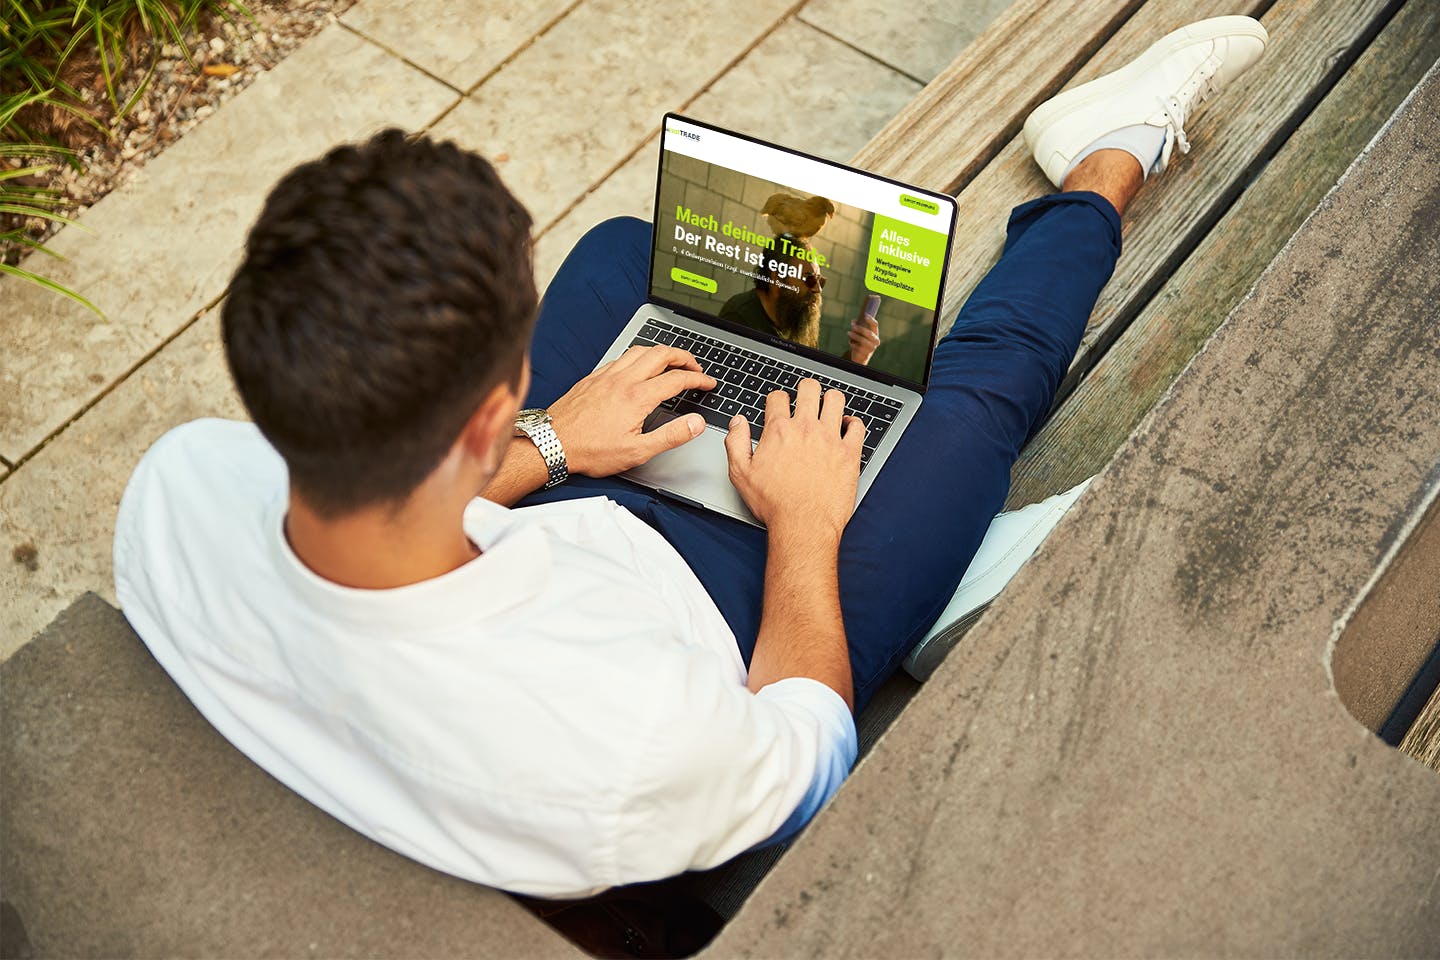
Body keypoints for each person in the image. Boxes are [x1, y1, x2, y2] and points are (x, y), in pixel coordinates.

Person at [113, 17, 1266, 898]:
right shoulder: (631, 746)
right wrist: (808, 525)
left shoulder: (181, 489)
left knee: (625, 261)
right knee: (978, 391)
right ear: (475, 419)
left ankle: (933, 539)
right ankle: (1108, 159)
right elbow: (807, 762)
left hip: (548, 512)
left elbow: (384, 522)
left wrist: (554, 440)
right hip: (738, 610)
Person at [718, 233, 883, 364]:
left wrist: (858, 357)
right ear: (777, 279)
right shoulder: (738, 317)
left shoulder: (796, 317)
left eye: (820, 281)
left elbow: (814, 379)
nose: (818, 290)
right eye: (809, 279)